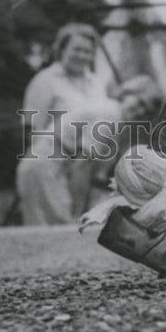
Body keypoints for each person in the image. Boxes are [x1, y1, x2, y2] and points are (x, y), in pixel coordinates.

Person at [16, 23, 123, 225]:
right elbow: (31, 129)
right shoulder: (44, 81)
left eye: (87, 51)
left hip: (84, 169)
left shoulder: (96, 83)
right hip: (51, 163)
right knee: (57, 227)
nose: (82, 56)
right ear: (61, 49)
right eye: (76, 49)